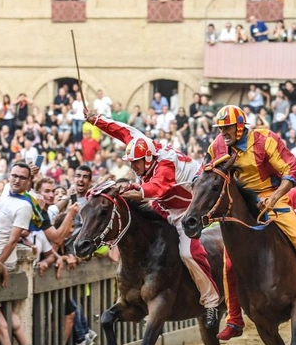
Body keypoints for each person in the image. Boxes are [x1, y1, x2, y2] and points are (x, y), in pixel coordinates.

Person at [203, 105, 296, 340]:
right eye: (220, 129)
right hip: (242, 209)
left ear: (240, 127)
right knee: (229, 263)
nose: (223, 133)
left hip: (273, 197)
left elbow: (292, 170)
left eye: (227, 128)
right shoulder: (216, 146)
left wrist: (272, 198)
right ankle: (234, 319)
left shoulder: (265, 139)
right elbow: (208, 175)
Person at [85, 110, 221, 329]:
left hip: (187, 208)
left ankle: (211, 301)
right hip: (165, 204)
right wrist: (96, 120)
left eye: (136, 163)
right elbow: (121, 130)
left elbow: (156, 188)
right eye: (131, 163)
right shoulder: (141, 143)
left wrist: (132, 189)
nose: (132, 167)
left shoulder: (165, 165)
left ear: (148, 158)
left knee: (188, 252)